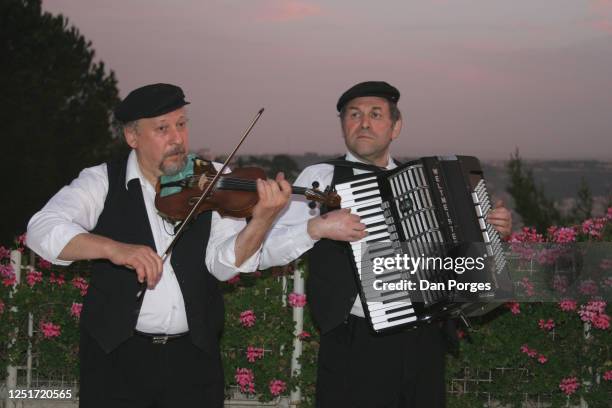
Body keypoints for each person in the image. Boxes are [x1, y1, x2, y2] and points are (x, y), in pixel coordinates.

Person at [26, 83, 291, 408]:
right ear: (132, 137)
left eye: (181, 124)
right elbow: (42, 229)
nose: (177, 138)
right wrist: (114, 249)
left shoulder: (213, 180)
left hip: (193, 361)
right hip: (116, 360)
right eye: (162, 129)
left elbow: (223, 265)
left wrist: (262, 221)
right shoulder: (101, 182)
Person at [260, 81, 512, 408]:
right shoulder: (319, 178)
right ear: (343, 126)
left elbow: (457, 260)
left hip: (424, 340)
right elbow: (267, 250)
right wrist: (316, 227)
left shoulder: (422, 180)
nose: (364, 123)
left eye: (375, 114)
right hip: (357, 340)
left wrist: (491, 230)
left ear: (395, 127)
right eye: (354, 115)